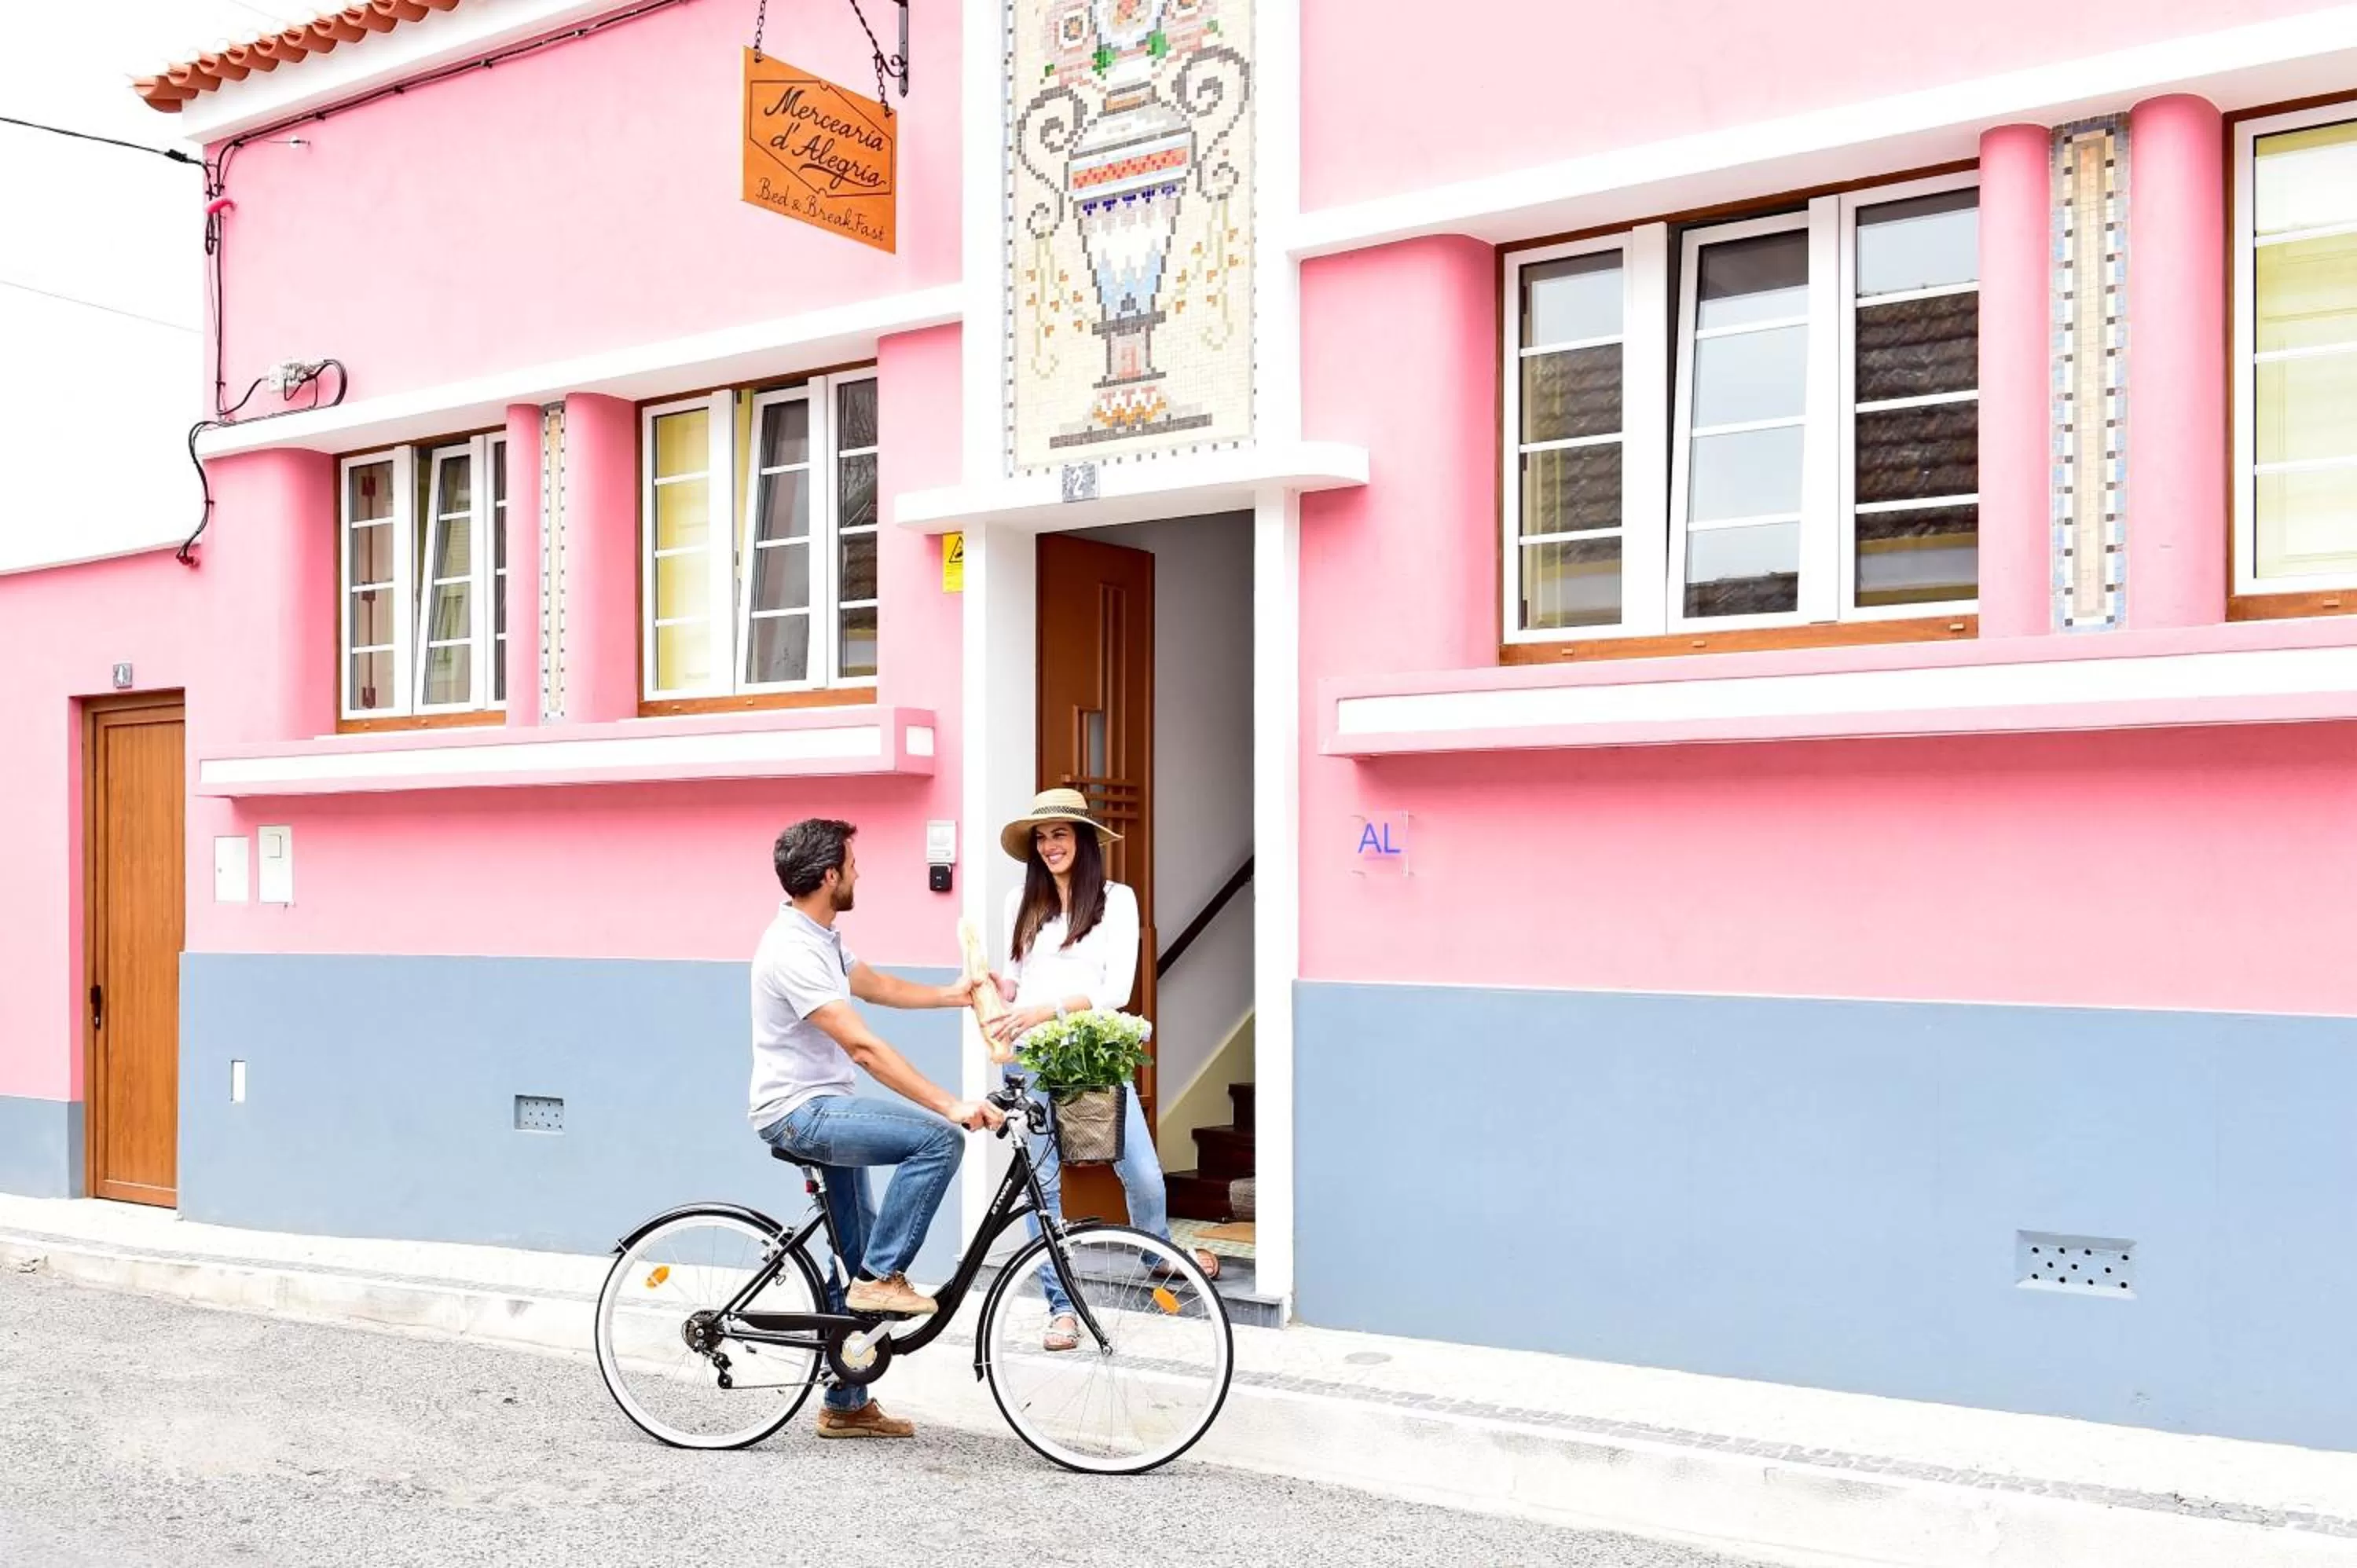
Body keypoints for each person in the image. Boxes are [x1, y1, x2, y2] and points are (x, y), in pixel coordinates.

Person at [752, 817, 1004, 1440]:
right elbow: (863, 1048)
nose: (861, 872)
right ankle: (879, 1282)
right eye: (854, 864)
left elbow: (879, 987)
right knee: (937, 1141)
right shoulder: (791, 950)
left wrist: (959, 994)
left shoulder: (823, 938)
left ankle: (846, 1401)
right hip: (801, 1113)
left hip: (824, 1107)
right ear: (830, 875)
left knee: (853, 1254)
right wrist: (948, 1104)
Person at [985, 787, 1223, 1354]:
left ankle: (1156, 1251)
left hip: (1091, 1055)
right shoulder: (1019, 899)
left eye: (1060, 834)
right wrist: (1002, 988)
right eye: (1041, 838)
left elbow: (1116, 990)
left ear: (1084, 840)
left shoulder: (1117, 900)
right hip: (1031, 1060)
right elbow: (1016, 977)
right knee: (1040, 1190)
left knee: (1139, 1169)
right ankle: (1062, 1309)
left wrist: (1050, 1007)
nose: (1049, 847)